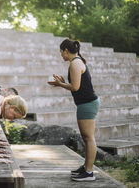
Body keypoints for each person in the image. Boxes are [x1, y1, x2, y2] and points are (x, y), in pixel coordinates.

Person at [47, 39, 99, 182]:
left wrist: (60, 84)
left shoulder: (74, 63)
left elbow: (75, 87)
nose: (61, 56)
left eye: (61, 53)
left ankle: (89, 172)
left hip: (87, 104)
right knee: (87, 137)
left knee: (89, 138)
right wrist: (62, 83)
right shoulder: (77, 62)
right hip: (87, 104)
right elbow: (77, 85)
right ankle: (86, 168)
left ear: (65, 50)